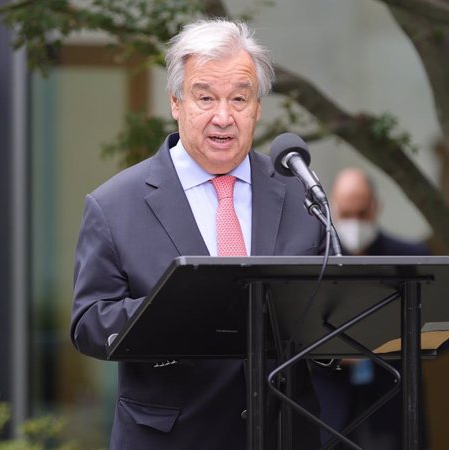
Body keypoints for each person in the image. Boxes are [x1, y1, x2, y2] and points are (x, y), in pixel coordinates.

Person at [70, 19, 325, 450]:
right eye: (205, 97)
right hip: (172, 437)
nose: (222, 117)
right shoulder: (115, 205)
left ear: (258, 107)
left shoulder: (300, 194)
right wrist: (172, 312)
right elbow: (89, 323)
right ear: (176, 101)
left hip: (285, 432)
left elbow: (326, 307)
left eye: (238, 99)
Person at [312, 167, 430, 449]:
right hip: (326, 411)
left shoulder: (411, 258)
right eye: (346, 214)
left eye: (361, 213)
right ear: (333, 209)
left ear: (376, 207)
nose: (353, 222)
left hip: (390, 406)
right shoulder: (313, 258)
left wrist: (379, 345)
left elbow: (444, 334)